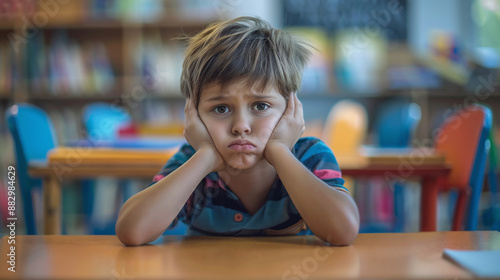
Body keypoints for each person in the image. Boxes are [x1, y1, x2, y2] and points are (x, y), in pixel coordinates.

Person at [116, 16, 359, 246]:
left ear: (291, 110)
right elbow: (132, 231)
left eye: (261, 106)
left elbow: (342, 230)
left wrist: (279, 151)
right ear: (194, 115)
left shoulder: (309, 156)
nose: (241, 125)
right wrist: (206, 156)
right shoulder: (191, 162)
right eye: (221, 108)